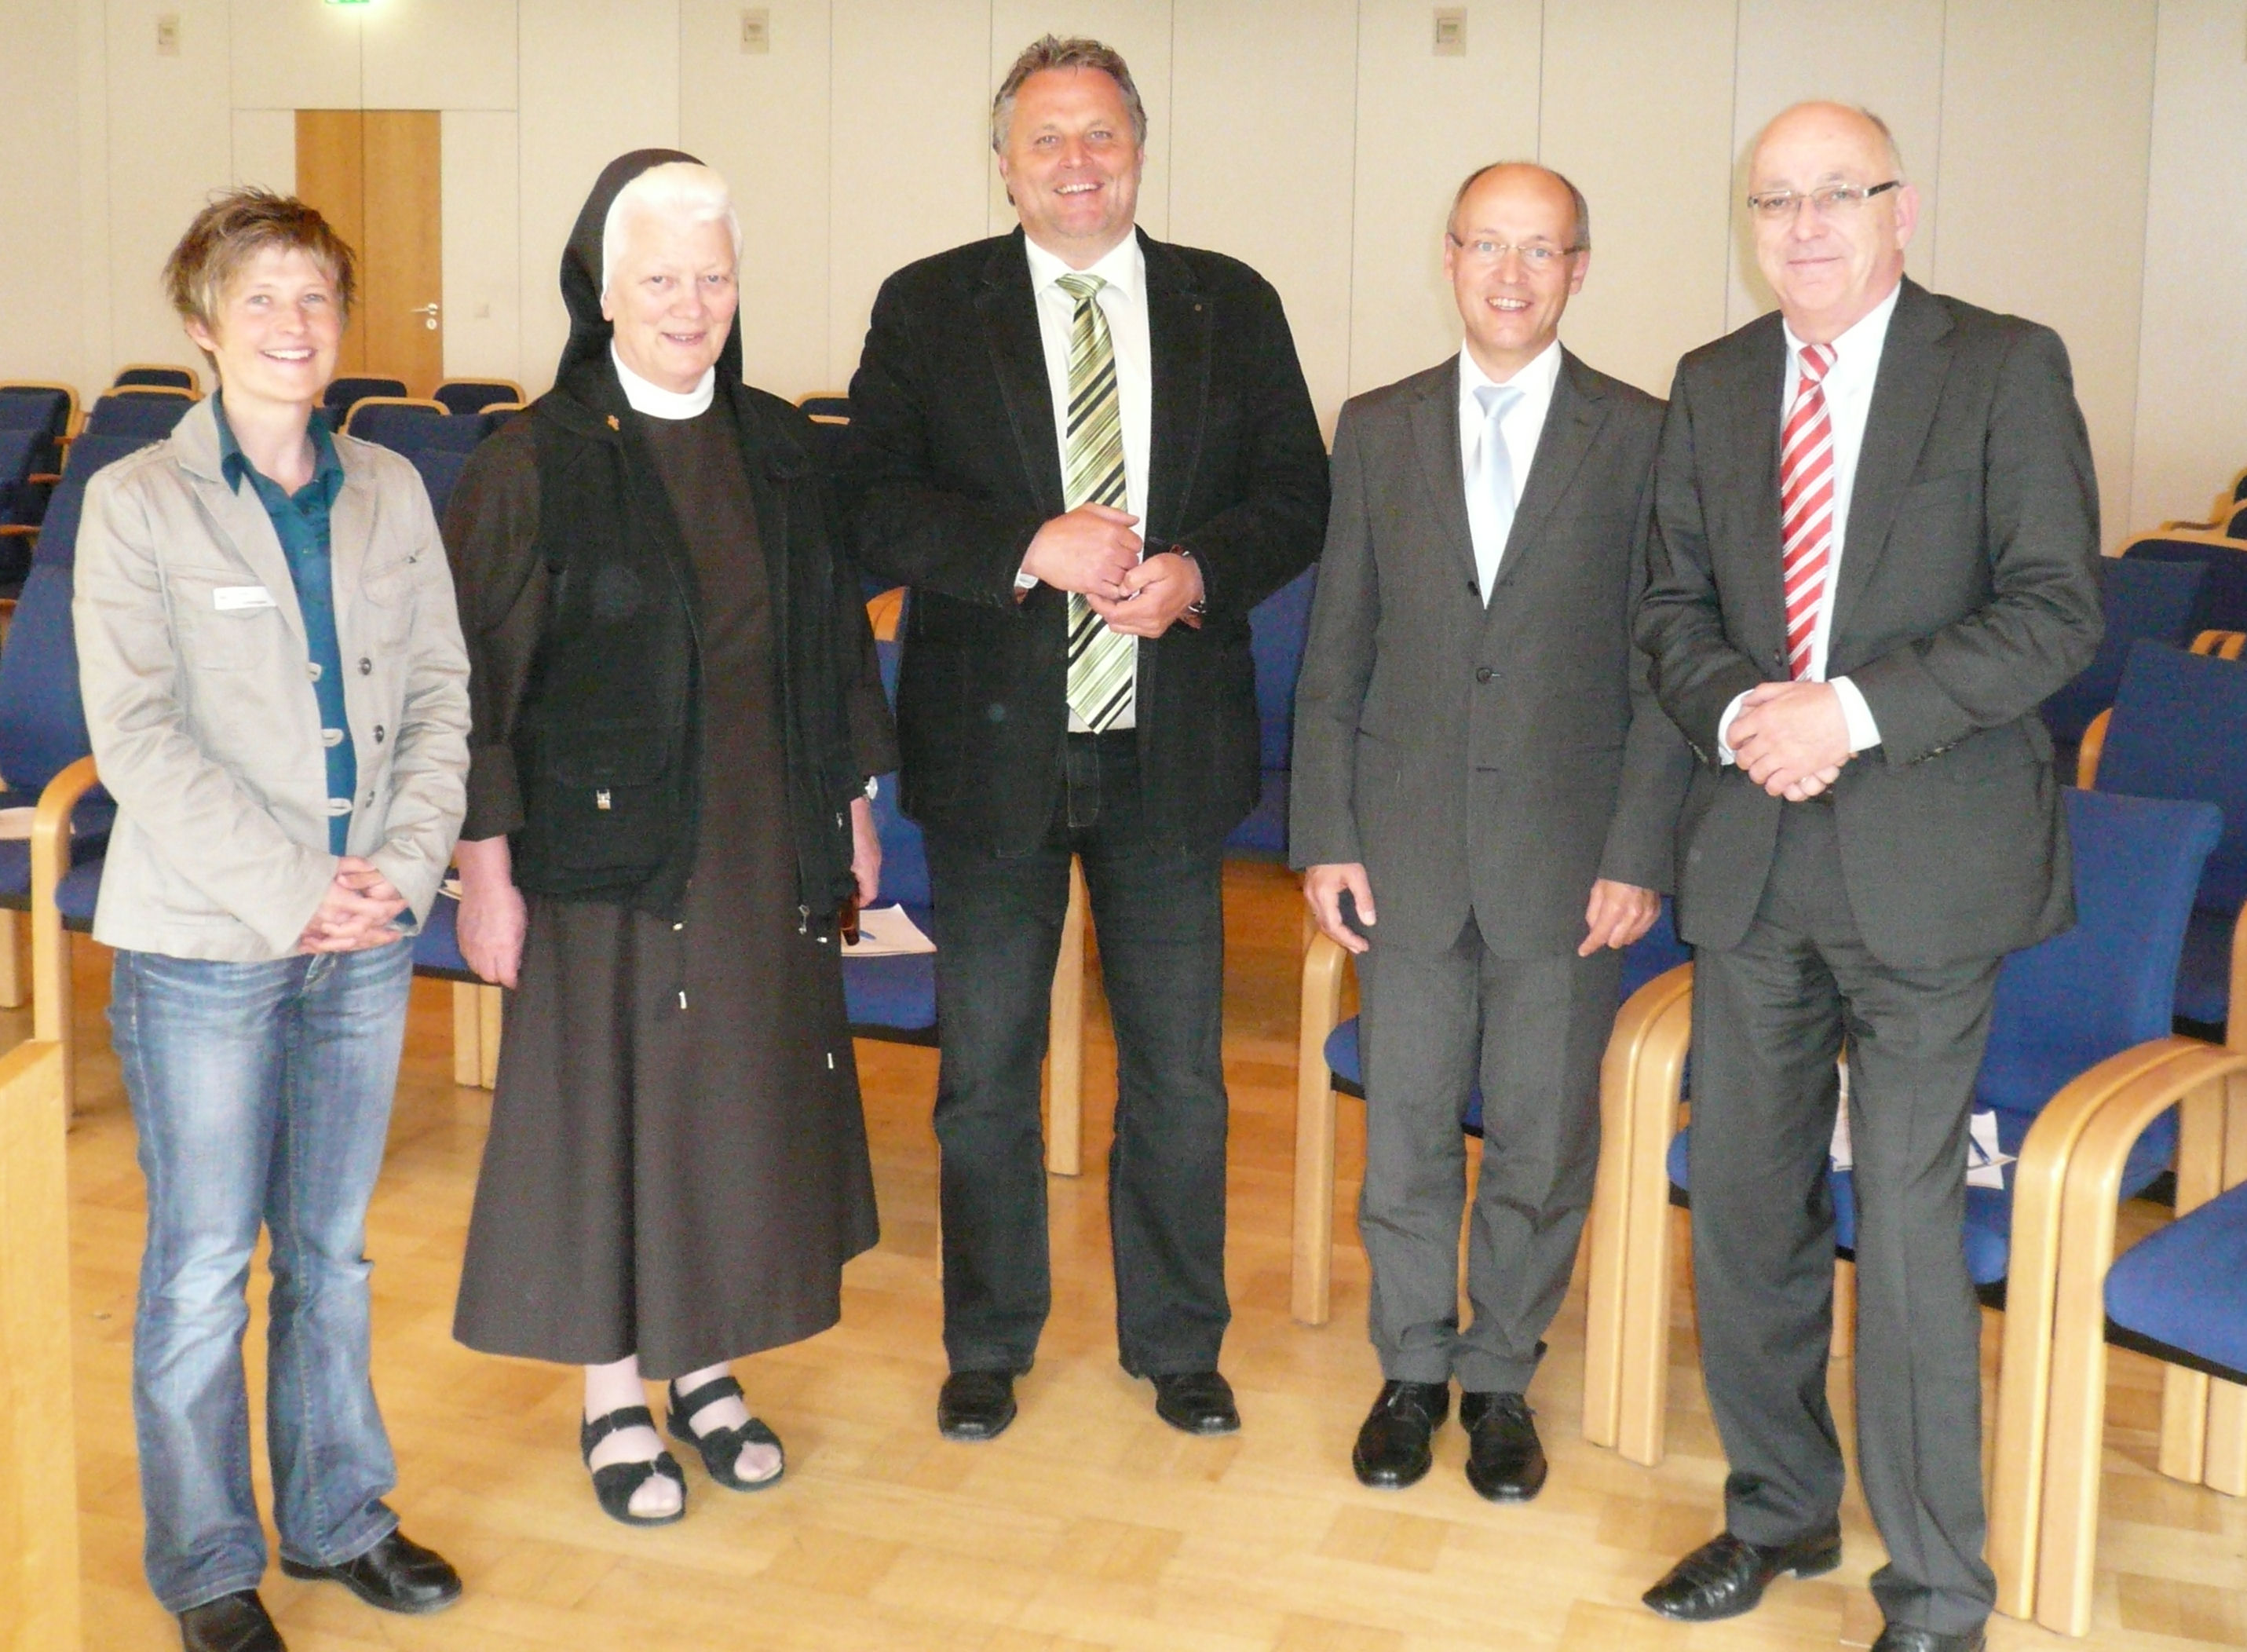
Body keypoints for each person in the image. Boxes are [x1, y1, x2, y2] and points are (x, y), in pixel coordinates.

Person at [1634, 104, 2103, 1652]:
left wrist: (1849, 710)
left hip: (1927, 868)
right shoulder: (1712, 383)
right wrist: (1742, 715)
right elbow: (1670, 607)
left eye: (1839, 193)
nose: (1806, 225)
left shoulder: (2002, 364)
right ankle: (1777, 1508)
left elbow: (2055, 609)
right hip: (1754, 861)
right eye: (1776, 199)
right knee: (1744, 1206)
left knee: (1903, 1232)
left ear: (1903, 209)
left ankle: (1938, 1591)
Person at [844, 35, 1328, 1442]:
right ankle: (987, 1343)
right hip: (990, 750)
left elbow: (1295, 494)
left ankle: (1178, 1343)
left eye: (1101, 134)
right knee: (986, 1073)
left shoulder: (1228, 301)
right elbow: (869, 500)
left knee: (1177, 1073)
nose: (1076, 162)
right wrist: (1023, 546)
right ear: (1002, 163)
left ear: (1138, 152)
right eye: (1046, 138)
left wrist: (1198, 574)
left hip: (1167, 751)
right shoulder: (928, 305)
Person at [447, 153, 895, 1526]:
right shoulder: (532, 460)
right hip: (606, 852)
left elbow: (829, 642)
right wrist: (484, 871)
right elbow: (474, 684)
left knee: (732, 1104)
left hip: (759, 833)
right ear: (603, 290)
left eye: (712, 278)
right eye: (660, 279)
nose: (689, 305)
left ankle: (703, 1364)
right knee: (616, 1113)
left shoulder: (779, 444)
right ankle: (612, 1394)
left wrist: (853, 807)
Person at [75, 188, 471, 1652]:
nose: (293, 324)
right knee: (199, 1268)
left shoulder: (391, 489)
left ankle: (337, 1518)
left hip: (366, 933)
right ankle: (204, 1566)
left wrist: (402, 870)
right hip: (205, 942)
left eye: (315, 297)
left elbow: (441, 695)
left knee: (331, 1250)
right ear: (202, 325)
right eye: (261, 298)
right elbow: (137, 738)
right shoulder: (135, 501)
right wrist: (301, 887)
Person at [1292, 163, 1689, 1501]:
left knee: (1539, 1133)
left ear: (1578, 269)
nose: (1509, 274)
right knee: (1403, 1125)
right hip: (1401, 848)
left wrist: (1638, 851)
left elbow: (1664, 668)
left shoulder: (1643, 435)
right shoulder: (1376, 425)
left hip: (1571, 864)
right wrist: (1326, 831)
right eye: (1485, 245)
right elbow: (1337, 648)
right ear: (1449, 256)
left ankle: (1502, 1373)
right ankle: (1411, 1367)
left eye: (1540, 250)